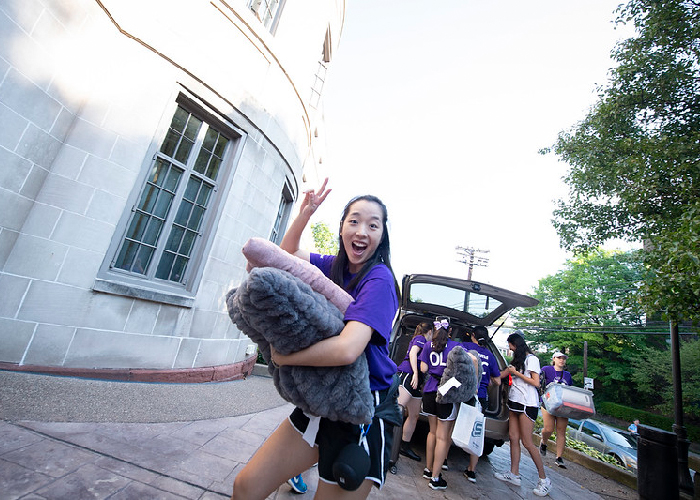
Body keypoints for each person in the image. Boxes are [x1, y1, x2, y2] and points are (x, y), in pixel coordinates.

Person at [231, 180, 401, 500]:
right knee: (246, 487)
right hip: (324, 399)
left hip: (362, 410)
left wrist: (283, 358)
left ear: (382, 236)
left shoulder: (379, 279)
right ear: (341, 228)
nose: (361, 231)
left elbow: (348, 349)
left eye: (372, 225)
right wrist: (304, 214)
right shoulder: (334, 266)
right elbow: (285, 256)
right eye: (354, 221)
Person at [494, 333, 552, 497]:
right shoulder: (517, 360)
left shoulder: (531, 359)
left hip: (528, 403)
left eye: (510, 346)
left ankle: (544, 479)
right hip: (514, 401)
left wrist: (516, 373)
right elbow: (501, 375)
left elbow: (535, 382)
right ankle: (514, 474)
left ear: (516, 344)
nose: (510, 349)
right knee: (513, 437)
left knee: (527, 442)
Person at [419, 317, 461, 491]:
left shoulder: (428, 345)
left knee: (432, 432)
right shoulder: (456, 348)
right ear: (449, 331)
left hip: (430, 390)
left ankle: (429, 470)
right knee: (443, 437)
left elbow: (422, 368)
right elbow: (465, 368)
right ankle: (436, 478)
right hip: (446, 392)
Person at [461, 325, 501, 483]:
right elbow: (498, 381)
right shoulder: (490, 356)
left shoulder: (464, 347)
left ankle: (443, 462)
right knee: (475, 433)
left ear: (472, 335)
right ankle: (471, 471)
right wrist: (486, 383)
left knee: (452, 425)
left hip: (464, 392)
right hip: (481, 397)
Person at [396, 321, 433, 462]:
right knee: (397, 409)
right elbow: (412, 354)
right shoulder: (421, 339)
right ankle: (386, 440)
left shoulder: (423, 341)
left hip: (416, 380)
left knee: (414, 415)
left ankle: (404, 445)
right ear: (429, 331)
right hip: (408, 375)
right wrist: (416, 374)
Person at [539, 351, 574, 468]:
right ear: (554, 359)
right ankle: (543, 442)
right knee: (548, 429)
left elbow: (570, 390)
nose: (562, 360)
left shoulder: (567, 375)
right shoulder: (546, 369)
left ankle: (559, 457)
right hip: (548, 403)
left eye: (563, 358)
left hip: (562, 406)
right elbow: (540, 383)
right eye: (559, 358)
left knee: (561, 431)